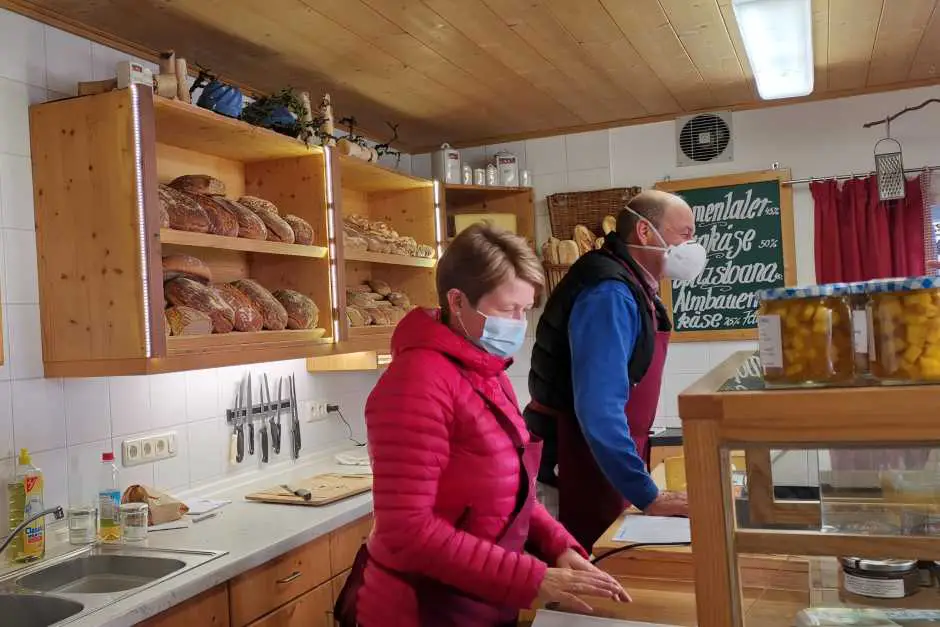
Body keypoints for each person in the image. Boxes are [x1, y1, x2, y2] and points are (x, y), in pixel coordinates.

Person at [334, 224, 629, 627]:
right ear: (457, 301)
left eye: (525, 310)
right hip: (421, 609)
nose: (519, 323)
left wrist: (559, 547)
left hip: (481, 602)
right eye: (509, 309)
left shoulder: (489, 373)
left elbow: (514, 492)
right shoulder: (416, 381)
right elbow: (406, 531)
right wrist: (531, 577)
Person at [524, 190, 707, 551]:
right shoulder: (609, 292)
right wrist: (647, 493)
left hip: (601, 459)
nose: (693, 246)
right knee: (580, 572)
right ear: (644, 232)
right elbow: (599, 409)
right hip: (575, 459)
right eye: (685, 234)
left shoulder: (633, 285)